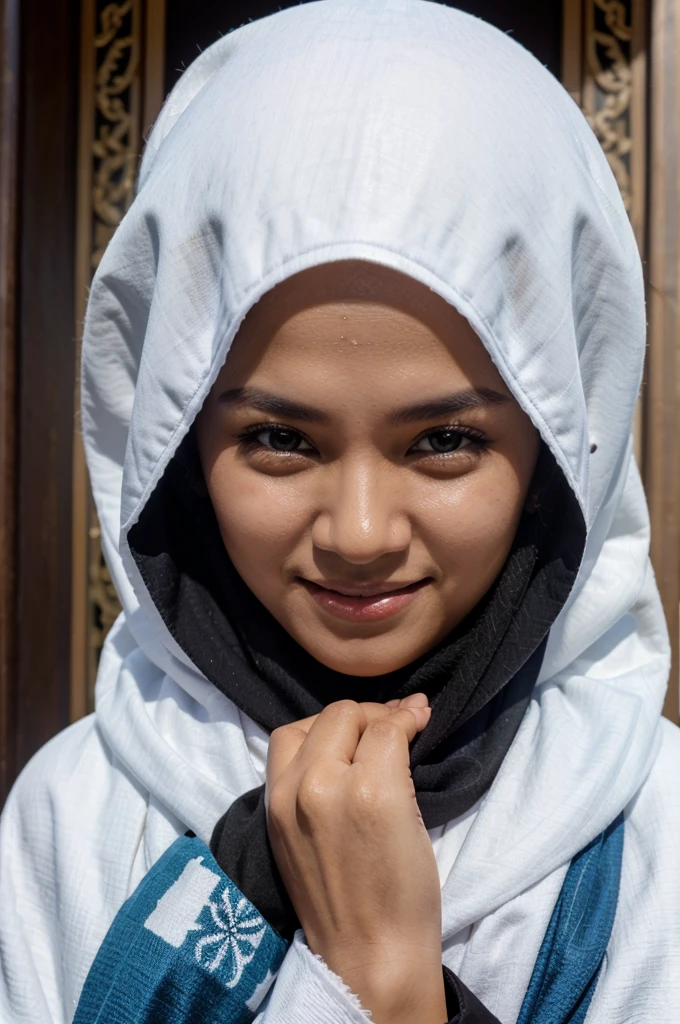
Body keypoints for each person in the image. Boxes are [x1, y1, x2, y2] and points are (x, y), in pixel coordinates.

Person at [1, 1, 678, 1021]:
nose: (359, 533)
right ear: (179, 446)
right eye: (279, 439)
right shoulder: (80, 813)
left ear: (555, 452)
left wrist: (388, 982)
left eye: (444, 441)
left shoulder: (647, 841)